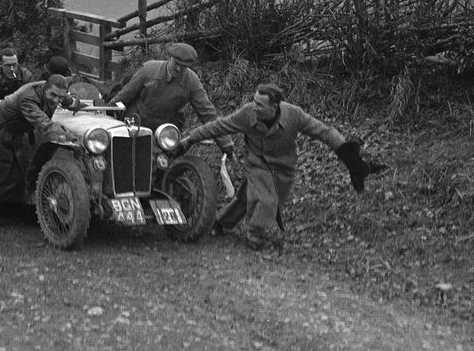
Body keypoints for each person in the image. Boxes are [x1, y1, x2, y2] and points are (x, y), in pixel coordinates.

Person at [178, 83, 382, 250]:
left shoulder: (294, 115)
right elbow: (218, 126)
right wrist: (190, 138)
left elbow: (323, 131)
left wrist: (348, 155)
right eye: (254, 101)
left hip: (284, 166)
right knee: (267, 200)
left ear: (274, 107)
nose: (254, 106)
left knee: (247, 196)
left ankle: (221, 223)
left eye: (260, 104)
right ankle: (255, 236)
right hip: (256, 162)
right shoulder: (247, 114)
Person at [0, 75, 80, 226]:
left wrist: (75, 103)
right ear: (45, 88)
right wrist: (68, 136)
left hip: (12, 132)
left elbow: (68, 100)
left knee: (15, 171)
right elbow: (44, 123)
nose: (55, 100)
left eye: (59, 97)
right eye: (53, 95)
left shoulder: (53, 89)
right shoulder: (28, 99)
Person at [107, 42, 234, 154]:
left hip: (164, 131)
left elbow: (208, 114)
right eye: (176, 63)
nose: (179, 69)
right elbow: (124, 96)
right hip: (135, 122)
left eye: (183, 66)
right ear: (170, 58)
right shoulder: (149, 70)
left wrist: (226, 144)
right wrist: (106, 114)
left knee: (162, 164)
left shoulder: (192, 82)